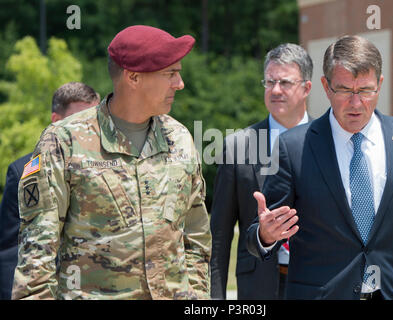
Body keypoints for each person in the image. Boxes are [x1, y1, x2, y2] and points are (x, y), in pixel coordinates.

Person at [12, 25, 211, 300]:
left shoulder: (179, 137)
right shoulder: (63, 142)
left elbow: (196, 238)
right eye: (171, 74)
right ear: (133, 77)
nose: (180, 83)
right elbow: (37, 251)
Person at [247, 35, 393, 300]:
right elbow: (257, 235)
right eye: (344, 90)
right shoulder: (294, 147)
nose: (355, 103)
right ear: (326, 86)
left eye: (365, 90)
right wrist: (265, 234)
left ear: (379, 84)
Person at [210, 43, 313, 299]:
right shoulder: (237, 147)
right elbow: (219, 240)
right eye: (269, 82)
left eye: (285, 83)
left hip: (317, 284)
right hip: (258, 287)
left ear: (306, 88)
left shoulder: (328, 142)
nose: (275, 90)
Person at [0, 82, 100, 300]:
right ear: (56, 121)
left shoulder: (113, 170)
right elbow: (11, 251)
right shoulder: (24, 172)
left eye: (95, 120)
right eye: (79, 121)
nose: (89, 129)